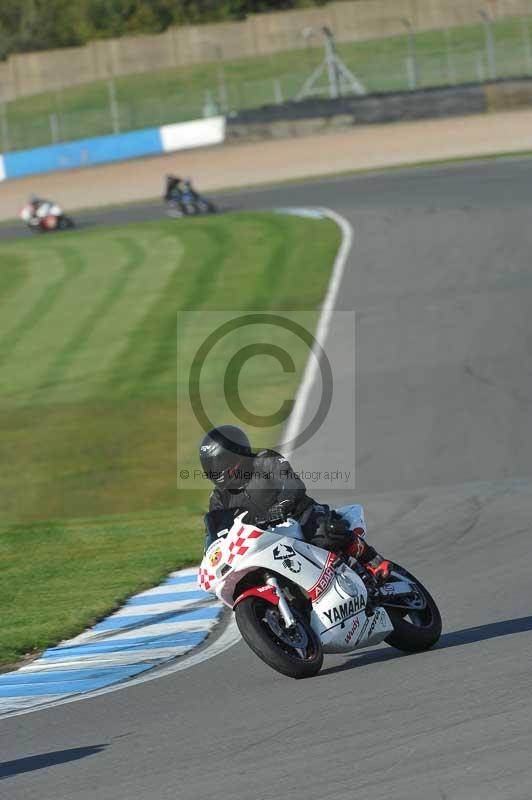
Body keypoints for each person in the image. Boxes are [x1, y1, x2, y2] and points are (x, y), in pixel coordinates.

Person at [199, 424, 390, 580]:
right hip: (263, 540)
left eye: (219, 465)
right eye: (211, 468)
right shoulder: (219, 497)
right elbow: (216, 531)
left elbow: (293, 485)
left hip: (299, 516)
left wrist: (281, 507)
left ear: (236, 455)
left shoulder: (265, 460)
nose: (216, 472)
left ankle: (372, 560)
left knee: (325, 533)